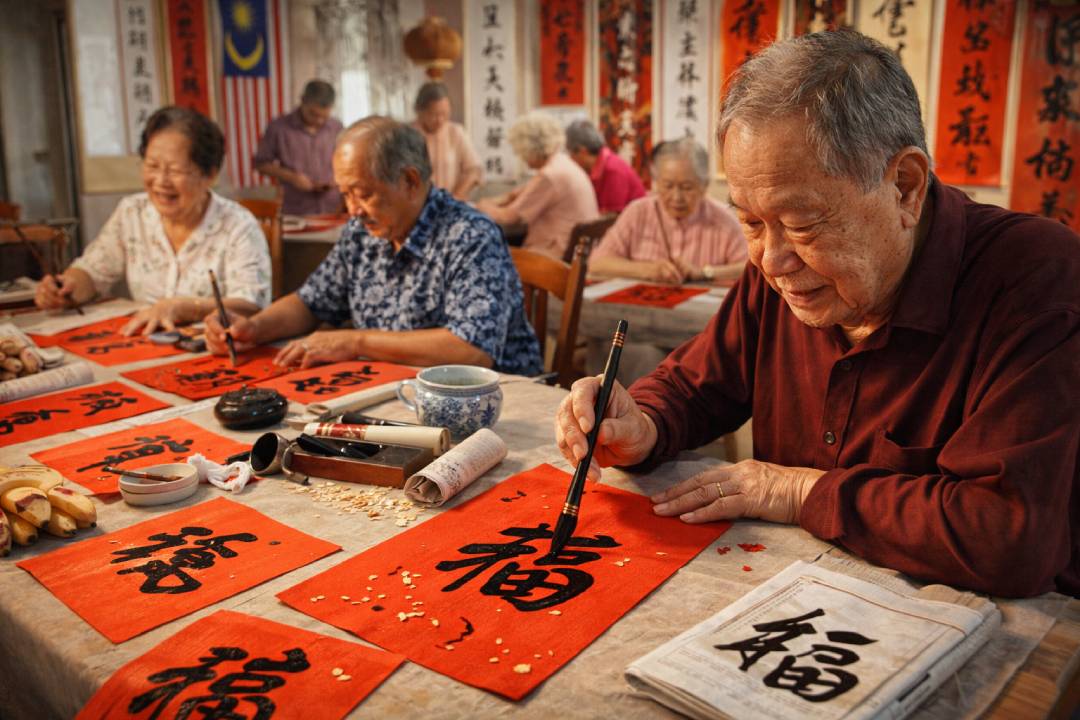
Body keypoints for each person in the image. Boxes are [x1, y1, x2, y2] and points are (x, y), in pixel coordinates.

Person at [554, 30, 1080, 598]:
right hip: (789, 599)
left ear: (904, 187)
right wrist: (640, 424)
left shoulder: (1037, 278)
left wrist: (799, 492)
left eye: (803, 225)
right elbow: (698, 384)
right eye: (751, 223)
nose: (772, 260)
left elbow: (1006, 535)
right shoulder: (782, 273)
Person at [205, 117, 542, 376]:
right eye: (345, 194)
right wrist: (253, 328)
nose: (352, 210)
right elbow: (311, 302)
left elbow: (471, 349)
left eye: (363, 194)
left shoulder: (469, 235)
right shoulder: (362, 231)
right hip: (394, 391)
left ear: (410, 181)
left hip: (490, 408)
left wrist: (355, 341)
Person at [35, 106, 271, 335]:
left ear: (209, 174)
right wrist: (66, 287)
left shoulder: (238, 225)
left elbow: (251, 305)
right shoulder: (132, 212)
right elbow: (93, 272)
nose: (161, 181)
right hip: (145, 345)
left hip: (209, 350)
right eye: (152, 165)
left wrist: (181, 308)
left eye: (176, 170)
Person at [589, 138, 747, 285]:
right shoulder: (637, 212)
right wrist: (647, 270)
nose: (676, 197)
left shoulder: (724, 219)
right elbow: (597, 263)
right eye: (668, 186)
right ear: (656, 182)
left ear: (704, 186)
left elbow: (750, 268)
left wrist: (705, 272)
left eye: (687, 187)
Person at [476, 112, 598, 259]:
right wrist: (502, 199)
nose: (521, 157)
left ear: (530, 149)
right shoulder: (562, 163)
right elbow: (520, 194)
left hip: (553, 255)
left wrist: (481, 206)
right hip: (573, 251)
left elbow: (509, 217)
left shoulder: (549, 175)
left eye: (521, 152)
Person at [254, 80, 344, 215]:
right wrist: (292, 177)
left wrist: (337, 179)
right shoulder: (279, 127)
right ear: (302, 101)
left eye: (324, 116)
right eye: (313, 114)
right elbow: (260, 164)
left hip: (334, 208)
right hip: (296, 210)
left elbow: (346, 161)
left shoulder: (337, 127)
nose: (319, 121)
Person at [412, 82, 482, 201]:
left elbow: (473, 170)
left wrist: (454, 198)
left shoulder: (456, 132)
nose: (440, 120)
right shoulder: (408, 134)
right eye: (434, 115)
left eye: (444, 114)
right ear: (420, 112)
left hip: (452, 202)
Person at [565, 119, 646, 214]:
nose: (570, 159)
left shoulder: (612, 170)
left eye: (570, 153)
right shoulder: (599, 166)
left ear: (583, 151)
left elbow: (612, 217)